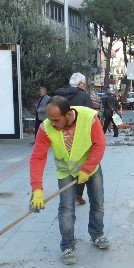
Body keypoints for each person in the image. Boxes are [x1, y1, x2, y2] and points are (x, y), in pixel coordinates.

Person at [29, 96, 109, 265]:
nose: (52, 124)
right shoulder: (46, 128)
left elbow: (99, 144)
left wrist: (86, 169)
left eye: (56, 120)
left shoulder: (89, 118)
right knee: (66, 209)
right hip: (65, 171)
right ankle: (67, 246)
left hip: (90, 167)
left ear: (68, 114)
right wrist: (37, 189)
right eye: (49, 119)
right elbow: (37, 158)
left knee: (98, 202)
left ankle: (97, 234)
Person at [55, 72, 95, 205]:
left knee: (66, 167)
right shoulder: (83, 95)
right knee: (82, 165)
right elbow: (91, 117)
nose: (84, 86)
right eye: (84, 84)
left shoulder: (58, 96)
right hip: (80, 137)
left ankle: (68, 195)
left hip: (62, 138)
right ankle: (77, 193)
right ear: (80, 84)